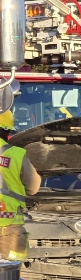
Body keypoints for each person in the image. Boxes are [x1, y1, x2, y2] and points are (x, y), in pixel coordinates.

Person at [0, 110, 40, 260]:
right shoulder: (16, 155)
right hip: (9, 230)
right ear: (5, 131)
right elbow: (33, 187)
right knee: (11, 270)